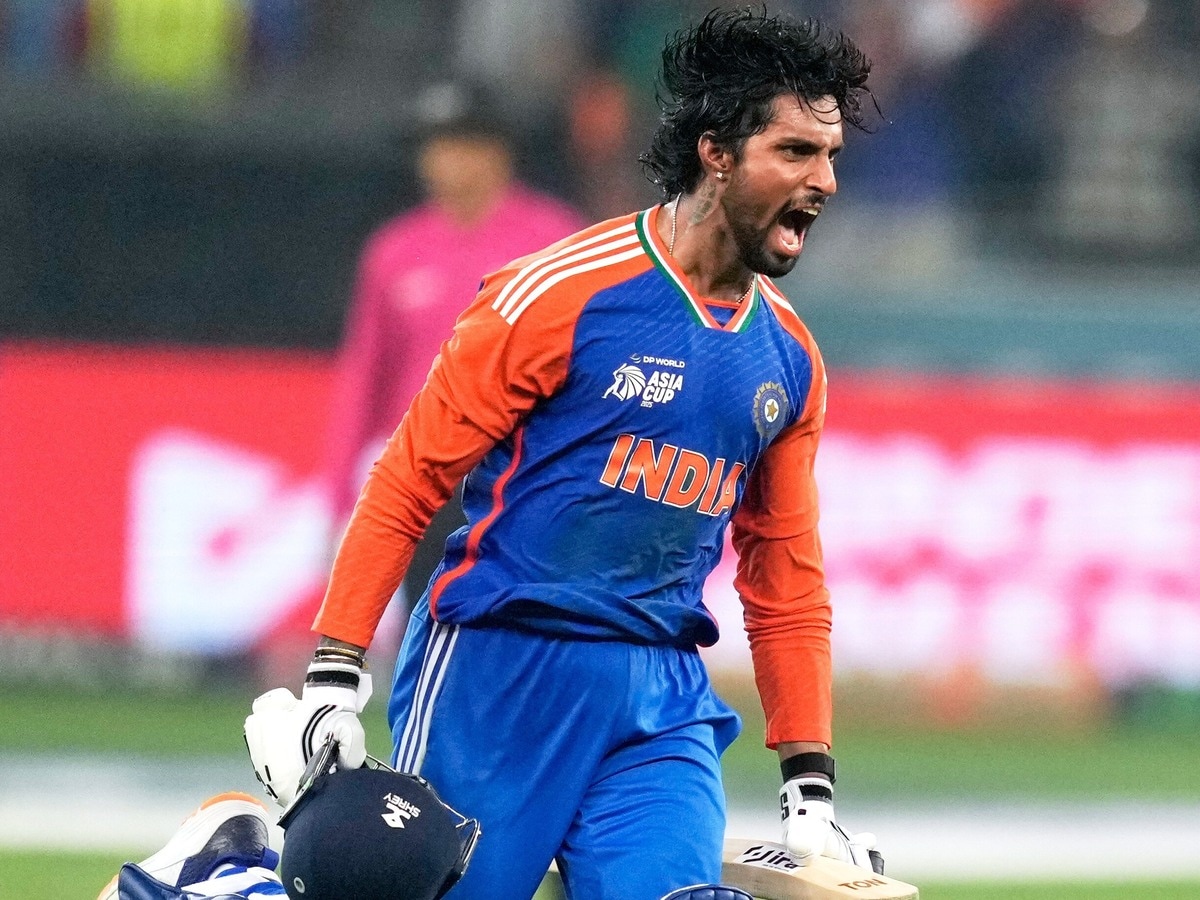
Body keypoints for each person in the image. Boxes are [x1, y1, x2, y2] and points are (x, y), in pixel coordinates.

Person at [248, 6, 880, 898]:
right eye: (797, 152)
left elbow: (785, 578)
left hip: (660, 701)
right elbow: (411, 476)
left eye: (831, 156)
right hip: (498, 677)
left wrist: (809, 787)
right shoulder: (554, 296)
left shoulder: (789, 358)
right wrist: (334, 675)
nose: (825, 180)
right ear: (716, 152)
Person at [322, 79, 586, 611]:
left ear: (496, 151)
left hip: (522, 476)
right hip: (424, 477)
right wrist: (339, 500)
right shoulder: (395, 251)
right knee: (426, 625)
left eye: (457, 145)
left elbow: (590, 367)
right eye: (433, 147)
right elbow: (367, 380)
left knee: (522, 630)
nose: (442, 163)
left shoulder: (557, 241)